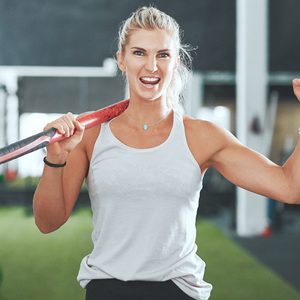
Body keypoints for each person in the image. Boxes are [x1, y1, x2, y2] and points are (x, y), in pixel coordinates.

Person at [33, 6, 300, 300]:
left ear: (176, 62)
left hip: (177, 291)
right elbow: (48, 222)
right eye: (139, 53)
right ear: (121, 60)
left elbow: (289, 187)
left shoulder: (202, 137)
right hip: (107, 288)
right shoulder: (91, 134)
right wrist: (55, 158)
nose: (151, 66)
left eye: (163, 54)